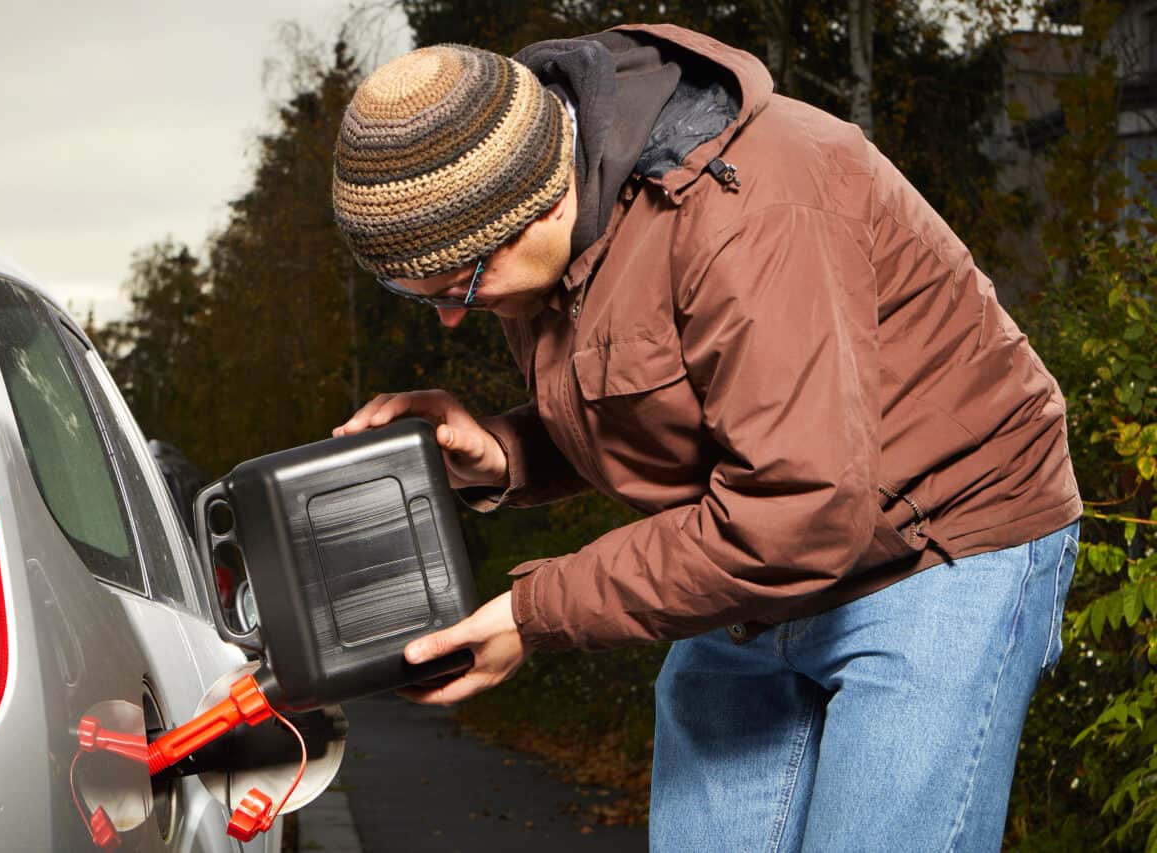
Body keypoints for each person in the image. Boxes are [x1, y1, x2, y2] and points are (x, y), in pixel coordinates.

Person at [330, 23, 1082, 851]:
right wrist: (505, 453)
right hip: (760, 552)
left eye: (461, 282)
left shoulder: (749, 210)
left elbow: (802, 506)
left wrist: (535, 610)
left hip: (938, 540)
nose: (448, 315)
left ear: (537, 202)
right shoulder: (563, 236)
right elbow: (683, 402)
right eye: (419, 293)